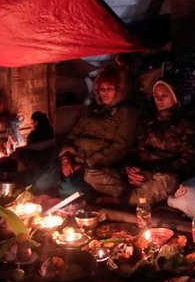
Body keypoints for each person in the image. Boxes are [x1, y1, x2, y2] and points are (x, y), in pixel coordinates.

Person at [87, 79, 195, 205]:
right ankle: (134, 196)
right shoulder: (147, 122)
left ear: (175, 97)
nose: (159, 100)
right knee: (91, 173)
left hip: (162, 175)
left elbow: (188, 160)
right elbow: (132, 150)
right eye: (156, 96)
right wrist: (129, 169)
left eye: (164, 96)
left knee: (168, 181)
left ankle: (123, 199)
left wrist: (152, 173)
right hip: (141, 174)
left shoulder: (186, 124)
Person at [54, 66, 140, 197]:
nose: (104, 93)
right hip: (74, 157)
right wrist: (66, 158)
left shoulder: (126, 113)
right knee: (43, 179)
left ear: (119, 90)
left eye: (109, 89)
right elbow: (73, 134)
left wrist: (87, 163)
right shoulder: (92, 111)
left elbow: (120, 146)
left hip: (95, 164)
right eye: (101, 89)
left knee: (69, 187)